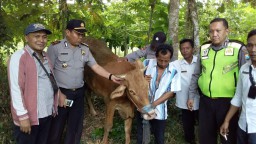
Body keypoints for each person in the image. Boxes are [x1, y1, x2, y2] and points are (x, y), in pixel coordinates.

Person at [47, 19, 122, 144]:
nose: (81, 37)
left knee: (75, 126)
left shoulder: (85, 49)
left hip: (78, 93)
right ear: (68, 32)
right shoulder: (55, 47)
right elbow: (49, 72)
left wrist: (111, 76)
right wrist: (58, 93)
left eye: (82, 34)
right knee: (57, 125)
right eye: (78, 34)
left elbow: (95, 66)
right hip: (63, 93)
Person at [188, 17, 247, 144]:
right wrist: (191, 96)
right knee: (206, 138)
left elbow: (245, 77)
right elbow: (196, 74)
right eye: (211, 31)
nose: (214, 34)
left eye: (218, 31)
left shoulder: (238, 49)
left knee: (228, 139)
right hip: (205, 102)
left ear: (227, 31)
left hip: (228, 104)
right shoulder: (204, 49)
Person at [7, 23, 58, 144]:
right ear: (26, 38)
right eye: (37, 36)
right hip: (29, 117)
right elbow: (16, 88)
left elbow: (50, 79)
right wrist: (23, 117)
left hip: (46, 112)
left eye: (44, 37)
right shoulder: (19, 57)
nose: (41, 40)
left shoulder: (45, 56)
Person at [136, 44, 181, 144]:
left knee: (159, 139)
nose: (163, 63)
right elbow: (135, 83)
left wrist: (152, 106)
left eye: (166, 60)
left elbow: (170, 93)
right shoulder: (147, 63)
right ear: (156, 56)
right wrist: (142, 80)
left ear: (170, 58)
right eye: (160, 60)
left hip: (160, 112)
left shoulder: (174, 71)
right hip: (143, 108)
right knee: (141, 137)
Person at [220, 29, 256, 144]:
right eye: (250, 45)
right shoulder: (244, 68)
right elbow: (238, 96)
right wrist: (226, 120)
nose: (253, 50)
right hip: (243, 125)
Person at [172, 39, 199, 144]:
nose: (185, 51)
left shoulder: (199, 61)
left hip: (200, 100)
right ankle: (190, 140)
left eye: (187, 48)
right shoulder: (176, 64)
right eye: (182, 48)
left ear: (193, 49)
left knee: (203, 123)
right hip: (184, 100)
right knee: (188, 124)